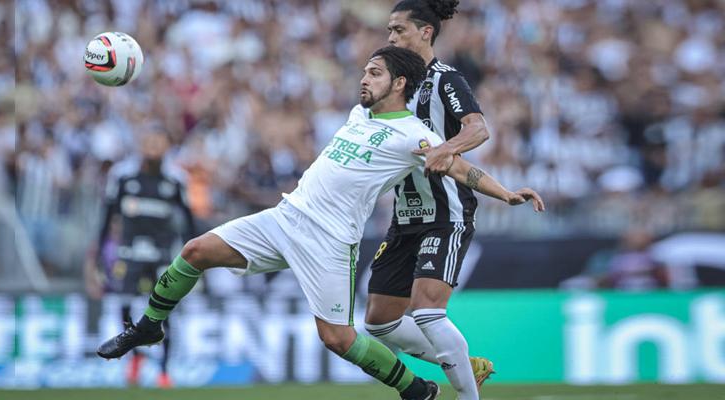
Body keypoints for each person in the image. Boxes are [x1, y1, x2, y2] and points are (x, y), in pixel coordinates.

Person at [97, 46, 543, 400]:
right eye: (365, 71)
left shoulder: (413, 133)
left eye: (374, 73)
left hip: (330, 241)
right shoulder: (358, 115)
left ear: (399, 83)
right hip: (285, 216)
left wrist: (506, 193)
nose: (364, 79)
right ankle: (149, 326)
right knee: (195, 250)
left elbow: (461, 168)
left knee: (339, 338)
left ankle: (415, 390)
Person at [364, 1, 495, 399]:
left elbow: (478, 128)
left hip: (446, 212)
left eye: (399, 30)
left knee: (426, 310)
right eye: (389, 30)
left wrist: (445, 150)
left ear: (425, 32)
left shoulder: (445, 80)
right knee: (379, 322)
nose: (390, 38)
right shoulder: (393, 83)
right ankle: (462, 364)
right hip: (403, 217)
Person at [85, 129, 194, 388]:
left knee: (164, 311)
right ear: (141, 145)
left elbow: (189, 223)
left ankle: (164, 370)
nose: (154, 146)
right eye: (150, 141)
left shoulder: (176, 178)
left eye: (160, 141)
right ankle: (135, 356)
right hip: (129, 253)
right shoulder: (122, 176)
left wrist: (192, 259)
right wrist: (99, 253)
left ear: (168, 146)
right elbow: (106, 216)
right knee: (124, 305)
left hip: (161, 255)